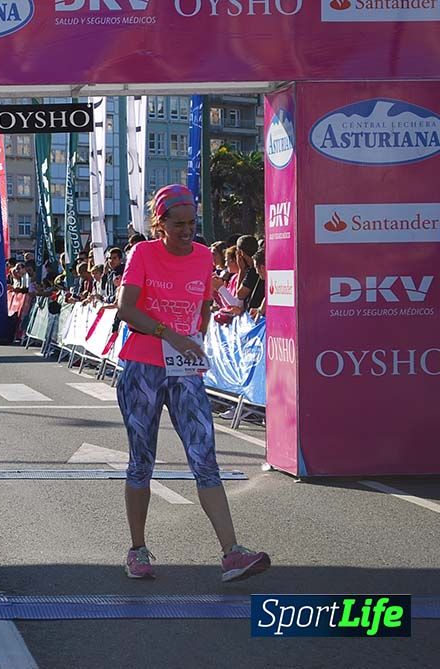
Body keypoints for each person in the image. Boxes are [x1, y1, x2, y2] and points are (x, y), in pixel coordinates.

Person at [115, 184, 270, 583]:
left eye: (192, 224)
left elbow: (203, 303)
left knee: (205, 457)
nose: (187, 231)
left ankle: (232, 553)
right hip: (143, 366)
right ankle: (137, 550)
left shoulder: (202, 256)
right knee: (142, 460)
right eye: (178, 225)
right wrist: (171, 334)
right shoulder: (143, 253)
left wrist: (196, 335)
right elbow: (126, 308)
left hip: (185, 371)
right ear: (160, 224)